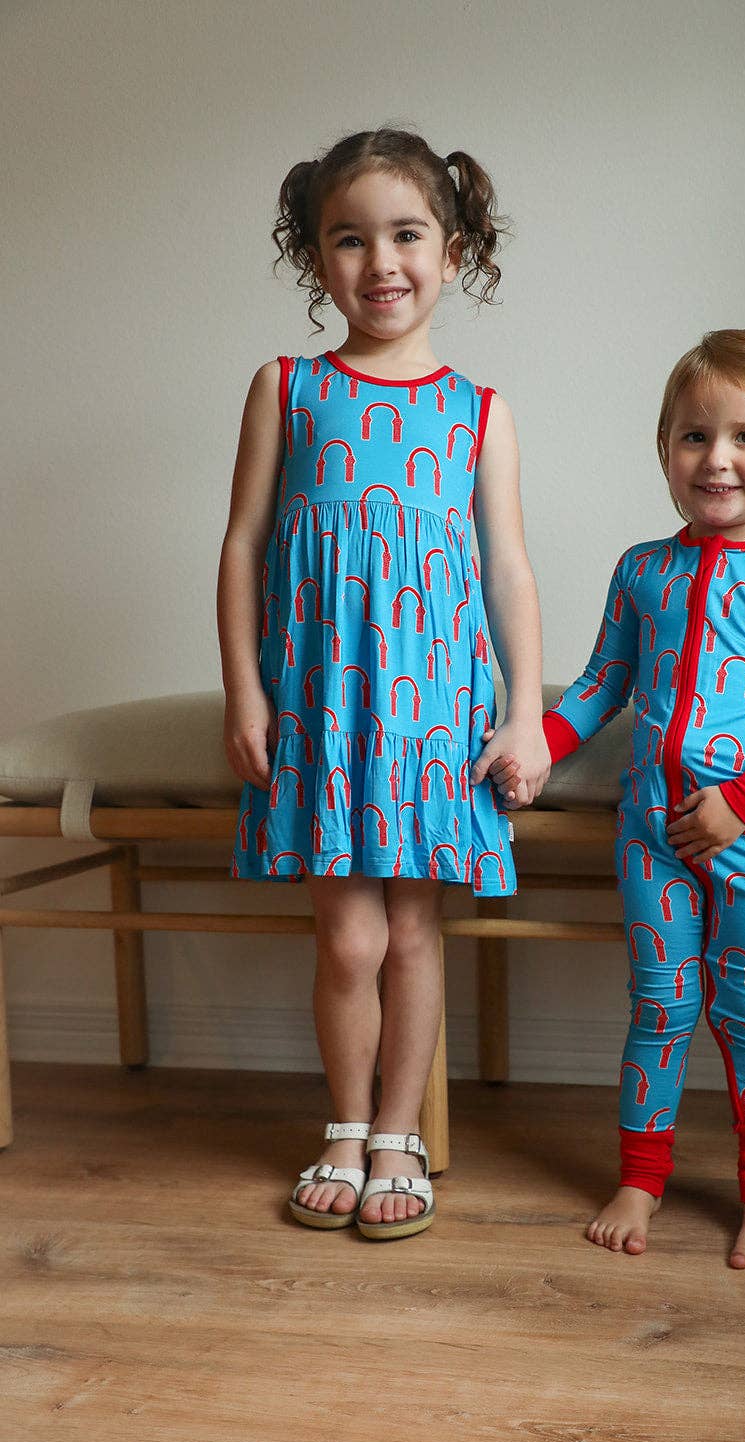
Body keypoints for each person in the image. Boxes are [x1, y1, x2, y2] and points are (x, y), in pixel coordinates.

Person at [218, 128, 549, 1240]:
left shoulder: (481, 411)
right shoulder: (285, 387)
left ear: (452, 252)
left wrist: (522, 712)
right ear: (316, 261)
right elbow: (242, 545)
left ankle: (399, 1133)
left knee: (412, 932)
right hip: (318, 701)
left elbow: (506, 567)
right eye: (347, 239)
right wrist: (244, 695)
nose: (380, 261)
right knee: (347, 938)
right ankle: (345, 1126)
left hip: (430, 711)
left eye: (406, 234)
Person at [494, 330, 745, 1268]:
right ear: (664, 450)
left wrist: (744, 800)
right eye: (694, 436)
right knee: (656, 1007)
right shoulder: (640, 568)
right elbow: (603, 683)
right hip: (649, 832)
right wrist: (539, 747)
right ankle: (640, 1178)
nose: (718, 458)